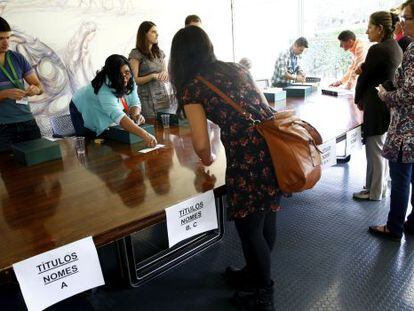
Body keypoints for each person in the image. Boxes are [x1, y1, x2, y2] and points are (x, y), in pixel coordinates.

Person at [169, 26, 281, 311]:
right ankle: (254, 274)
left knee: (249, 229)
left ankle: (263, 292)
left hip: (247, 157)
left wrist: (206, 161)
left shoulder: (193, 86)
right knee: (266, 216)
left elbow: (201, 144)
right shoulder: (235, 68)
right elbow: (266, 107)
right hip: (274, 148)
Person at [370, 0, 414, 241]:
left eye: (407, 17)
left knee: (400, 180)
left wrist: (385, 95)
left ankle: (394, 227)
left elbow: (409, 93)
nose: (402, 22)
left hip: (406, 130)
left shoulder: (413, 51)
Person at [353, 11, 403, 201]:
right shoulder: (396, 47)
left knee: (374, 150)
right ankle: (378, 188)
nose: (367, 32)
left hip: (375, 105)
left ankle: (374, 192)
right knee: (379, 149)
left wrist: (358, 98)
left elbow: (364, 78)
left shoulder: (377, 50)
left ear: (380, 29)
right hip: (387, 106)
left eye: (370, 27)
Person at [69, 54, 157, 148]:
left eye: (127, 72)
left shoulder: (129, 78)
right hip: (81, 106)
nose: (124, 78)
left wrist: (136, 115)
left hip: (100, 106)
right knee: (90, 142)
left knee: (109, 138)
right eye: (119, 75)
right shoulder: (104, 88)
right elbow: (119, 117)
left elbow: (134, 101)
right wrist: (146, 135)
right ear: (112, 75)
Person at [0, 17, 44, 152]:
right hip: (3, 127)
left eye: (8, 37)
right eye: (0, 38)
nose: (6, 43)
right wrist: (4, 94)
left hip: (28, 122)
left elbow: (39, 86)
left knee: (39, 165)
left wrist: (35, 90)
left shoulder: (17, 58)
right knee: (10, 170)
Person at [129, 21, 170, 119]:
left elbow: (165, 73)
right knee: (152, 129)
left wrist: (166, 74)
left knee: (167, 126)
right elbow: (134, 80)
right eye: (153, 32)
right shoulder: (136, 54)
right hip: (147, 100)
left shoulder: (160, 53)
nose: (157, 34)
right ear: (144, 34)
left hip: (162, 97)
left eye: (157, 32)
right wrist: (152, 76)